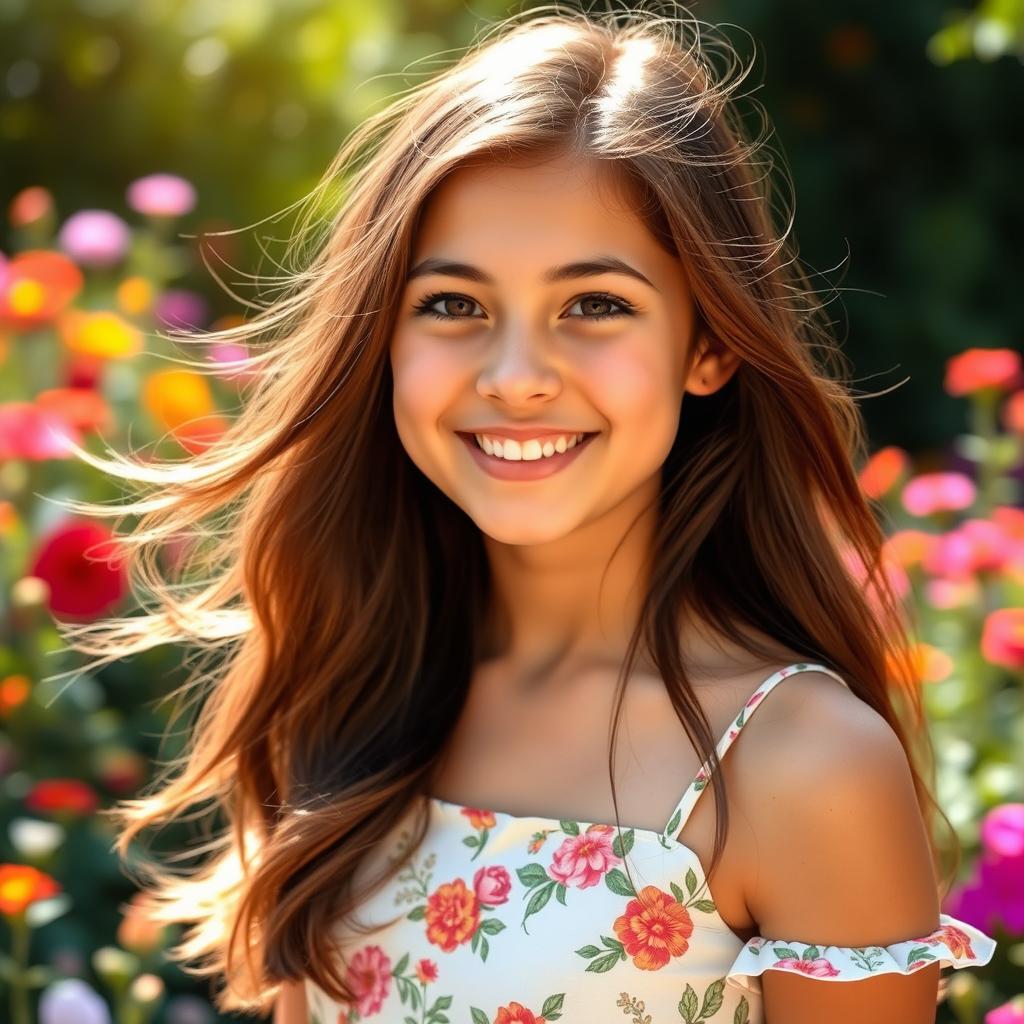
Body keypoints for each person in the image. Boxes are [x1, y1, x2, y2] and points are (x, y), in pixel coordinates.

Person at [56, 6, 996, 1024]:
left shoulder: (802, 765)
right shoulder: (359, 685)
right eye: (453, 305)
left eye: (595, 304)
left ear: (709, 347)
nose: (513, 379)